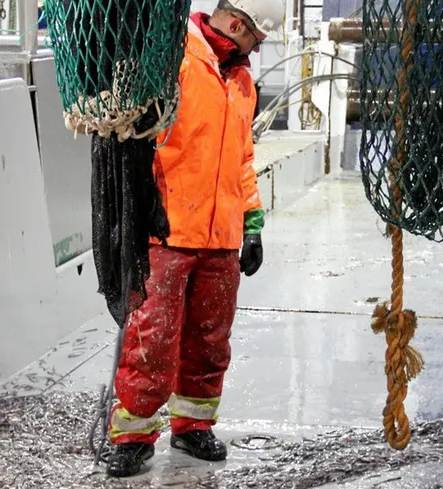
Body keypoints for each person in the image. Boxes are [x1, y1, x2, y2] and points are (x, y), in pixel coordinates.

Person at [105, 0, 285, 478]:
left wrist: (251, 222)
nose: (255, 49)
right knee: (153, 338)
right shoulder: (174, 57)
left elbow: (243, 157)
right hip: (169, 230)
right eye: (255, 39)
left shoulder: (241, 81)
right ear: (236, 24)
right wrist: (145, 205)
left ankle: (193, 427)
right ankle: (133, 435)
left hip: (221, 236)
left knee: (209, 340)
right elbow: (138, 138)